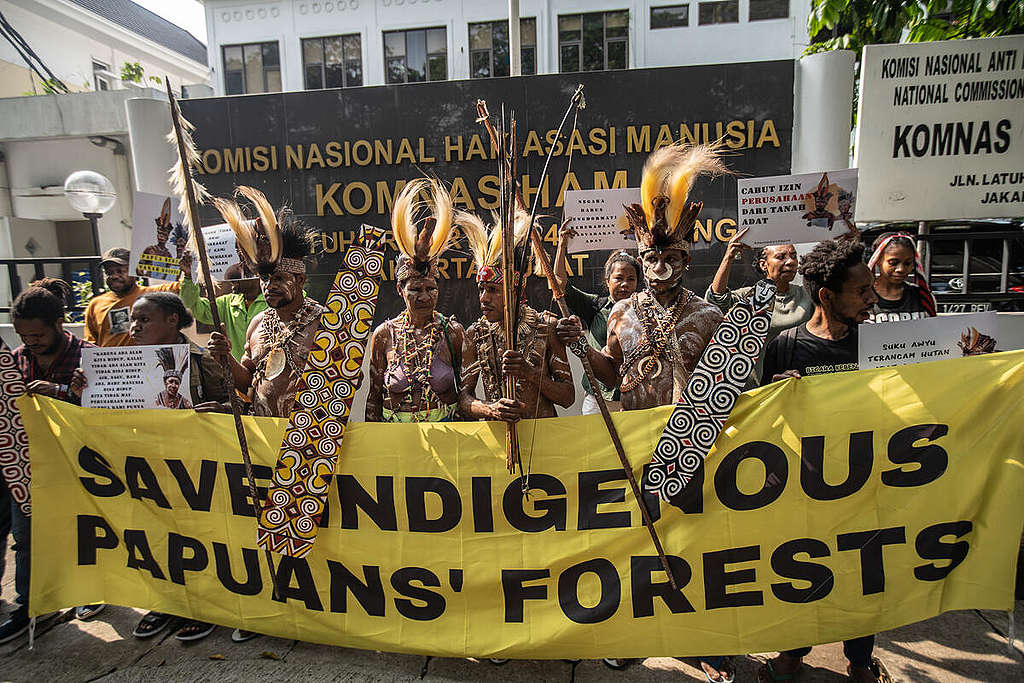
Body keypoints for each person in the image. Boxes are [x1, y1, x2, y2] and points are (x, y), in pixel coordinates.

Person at [555, 143, 728, 679]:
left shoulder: (710, 313)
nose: (657, 266)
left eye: (668, 257)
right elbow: (610, 374)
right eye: (649, 258)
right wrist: (581, 348)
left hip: (691, 443)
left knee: (692, 540)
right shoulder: (621, 310)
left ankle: (701, 637)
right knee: (631, 538)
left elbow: (728, 381)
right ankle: (630, 632)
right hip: (629, 436)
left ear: (684, 259)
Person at [758, 240, 888, 683]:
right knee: (802, 573)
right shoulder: (784, 347)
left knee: (864, 575)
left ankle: (860, 660)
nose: (872, 298)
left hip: (866, 485)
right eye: (861, 291)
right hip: (806, 490)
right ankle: (792, 654)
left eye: (871, 289)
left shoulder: (879, 348)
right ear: (827, 296)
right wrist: (775, 394)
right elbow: (757, 423)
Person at [124, 291, 231, 642]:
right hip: (148, 466)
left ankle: (207, 605)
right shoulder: (122, 365)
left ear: (172, 320)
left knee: (202, 537)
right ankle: (167, 603)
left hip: (196, 468)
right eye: (133, 320)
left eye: (144, 319)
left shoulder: (201, 360)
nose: (135, 326)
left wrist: (217, 412)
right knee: (159, 536)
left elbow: (236, 404)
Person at [0, 279, 95, 642]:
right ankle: (32, 607)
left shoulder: (90, 357)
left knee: (87, 533)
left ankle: (93, 593)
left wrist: (59, 394)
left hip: (80, 465)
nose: (31, 343)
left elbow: (109, 411)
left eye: (38, 335)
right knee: (26, 539)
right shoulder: (17, 362)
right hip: (29, 467)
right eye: (24, 336)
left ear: (59, 324)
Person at [207, 187, 326, 422]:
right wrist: (226, 357)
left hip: (311, 440)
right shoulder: (258, 324)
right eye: (264, 279)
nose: (268, 286)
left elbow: (345, 381)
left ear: (300, 280)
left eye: (279, 279)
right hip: (262, 433)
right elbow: (248, 381)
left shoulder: (325, 322)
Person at [457, 208, 574, 421]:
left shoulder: (546, 326)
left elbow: (567, 397)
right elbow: (464, 398)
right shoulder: (475, 334)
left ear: (516, 290)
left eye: (493, 290)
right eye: (481, 289)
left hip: (546, 441)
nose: (483, 298)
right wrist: (490, 409)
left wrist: (529, 373)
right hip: (499, 441)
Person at [365, 179, 465, 423]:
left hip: (446, 436)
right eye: (415, 289)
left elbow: (464, 394)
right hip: (396, 441)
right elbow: (374, 395)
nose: (423, 296)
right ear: (400, 290)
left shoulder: (452, 332)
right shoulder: (384, 335)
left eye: (431, 288)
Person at [705, 229, 813, 388]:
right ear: (764, 264)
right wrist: (729, 256)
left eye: (793, 256)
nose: (790, 262)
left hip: (800, 383)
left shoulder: (806, 296)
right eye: (781, 257)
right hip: (759, 390)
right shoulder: (749, 297)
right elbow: (715, 300)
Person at [552, 223, 641, 413]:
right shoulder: (595, 306)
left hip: (635, 397)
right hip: (598, 398)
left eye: (631, 279)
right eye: (619, 278)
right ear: (608, 281)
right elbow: (559, 285)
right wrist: (562, 245)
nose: (625, 284)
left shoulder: (645, 310)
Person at [179, 253, 267, 361]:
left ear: (255, 275)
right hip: (237, 373)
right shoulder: (227, 303)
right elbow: (192, 305)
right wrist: (189, 276)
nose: (232, 281)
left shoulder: (272, 302)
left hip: (269, 372)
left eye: (239, 277)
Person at [84, 247, 180, 346]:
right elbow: (90, 344)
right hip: (111, 360)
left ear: (134, 271)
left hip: (150, 360)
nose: (114, 276)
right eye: (109, 273)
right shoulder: (95, 305)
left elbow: (187, 284)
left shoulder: (156, 295)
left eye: (120, 271)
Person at [864, 232, 936, 324]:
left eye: (908, 263)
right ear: (878, 260)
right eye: (893, 262)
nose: (901, 269)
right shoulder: (863, 297)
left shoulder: (924, 297)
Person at [136, 197, 179, 279]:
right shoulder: (150, 250)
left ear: (167, 237)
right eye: (160, 234)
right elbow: (139, 268)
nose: (161, 237)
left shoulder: (168, 254)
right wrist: (145, 277)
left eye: (164, 235)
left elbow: (169, 272)